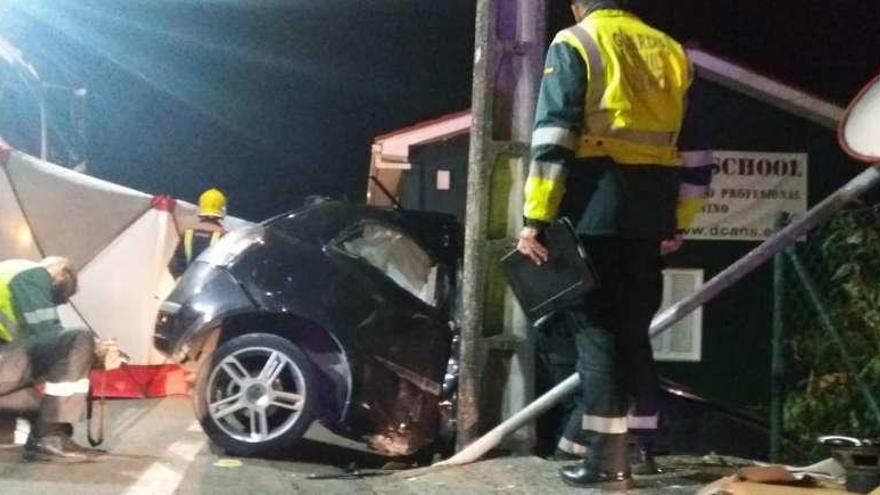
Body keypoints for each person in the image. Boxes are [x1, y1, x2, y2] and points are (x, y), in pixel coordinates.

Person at [517, 0, 714, 489]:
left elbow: (554, 136)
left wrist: (535, 219)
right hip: (651, 210)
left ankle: (605, 459)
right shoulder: (671, 50)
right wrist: (679, 222)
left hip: (593, 206)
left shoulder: (576, 42)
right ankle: (642, 449)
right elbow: (698, 153)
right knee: (630, 329)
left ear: (578, 4)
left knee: (596, 331)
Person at [0, 256, 102, 462]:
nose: (57, 303)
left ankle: (8, 430)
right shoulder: (33, 274)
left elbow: (28, 348)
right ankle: (49, 439)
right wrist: (96, 351)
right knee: (78, 338)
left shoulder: (8, 277)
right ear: (61, 277)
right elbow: (46, 332)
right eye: (59, 297)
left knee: (45, 409)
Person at [169, 188, 228, 278]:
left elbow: (174, 266)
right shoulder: (225, 237)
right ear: (222, 210)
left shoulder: (187, 233)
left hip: (186, 285)